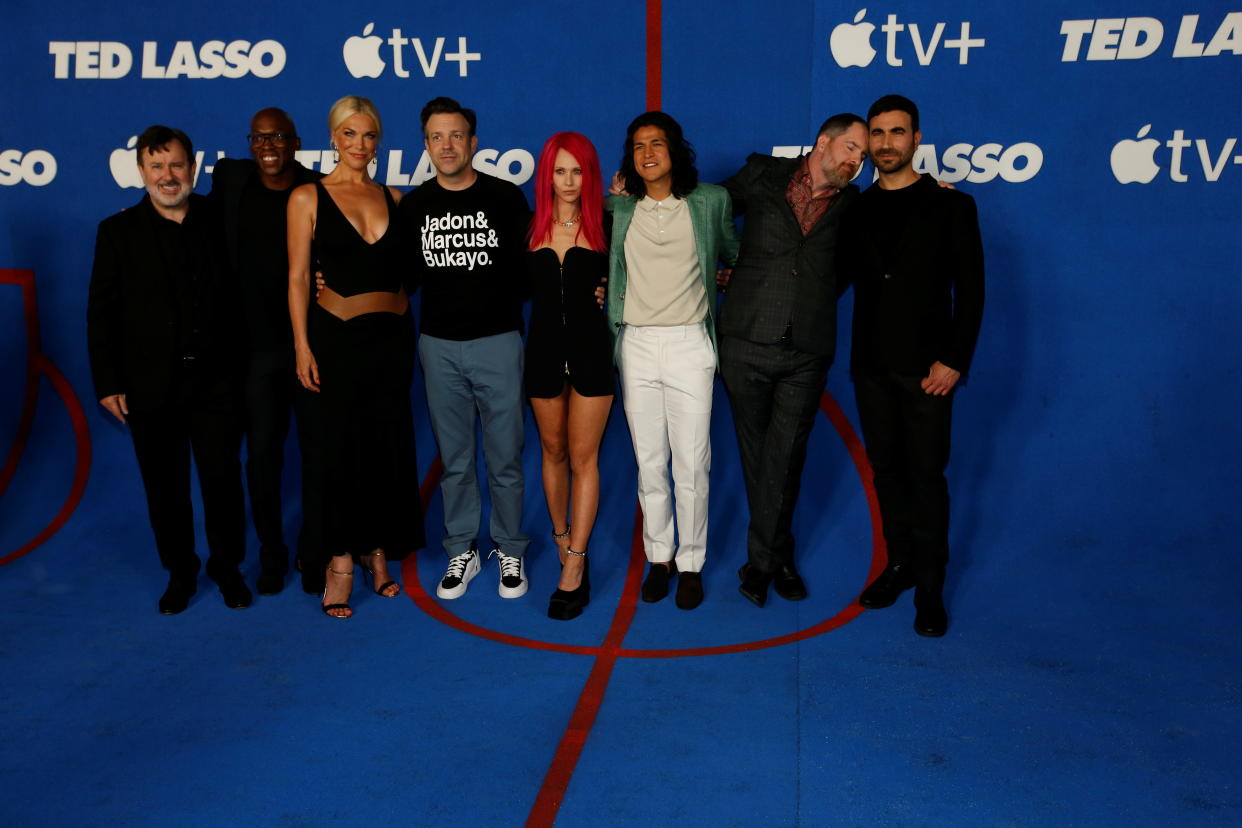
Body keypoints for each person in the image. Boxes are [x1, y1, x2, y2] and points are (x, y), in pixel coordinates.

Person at [87, 125, 250, 614]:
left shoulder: (222, 219)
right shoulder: (116, 232)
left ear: (193, 169)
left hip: (218, 382)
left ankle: (227, 569)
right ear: (140, 172)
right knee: (165, 489)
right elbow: (101, 313)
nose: (167, 175)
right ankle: (180, 573)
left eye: (176, 164)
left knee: (223, 483)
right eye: (156, 166)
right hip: (149, 386)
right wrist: (108, 382)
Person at [843, 94, 985, 637]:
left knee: (926, 479)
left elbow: (971, 291)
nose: (885, 144)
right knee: (887, 474)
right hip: (871, 367)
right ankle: (899, 565)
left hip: (929, 369)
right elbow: (829, 276)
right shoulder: (856, 208)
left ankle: (930, 588)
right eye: (877, 134)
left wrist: (954, 359)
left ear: (916, 139)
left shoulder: (953, 206)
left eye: (896, 133)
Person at [718, 113, 868, 608]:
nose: (855, 160)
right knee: (757, 455)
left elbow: (845, 269)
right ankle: (778, 557)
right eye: (850, 148)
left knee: (785, 458)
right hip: (745, 339)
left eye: (862, 156)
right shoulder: (763, 173)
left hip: (807, 349)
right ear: (823, 142)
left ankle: (761, 567)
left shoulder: (854, 204)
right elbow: (705, 211)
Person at [287, 95, 424, 618]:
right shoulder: (308, 197)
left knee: (384, 448)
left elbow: (409, 274)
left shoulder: (395, 196)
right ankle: (340, 561)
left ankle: (377, 552)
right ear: (334, 137)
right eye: (350, 135)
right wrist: (302, 343)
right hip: (333, 340)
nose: (360, 145)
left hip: (391, 342)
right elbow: (298, 277)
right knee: (336, 451)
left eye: (369, 136)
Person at [397, 97, 532, 600]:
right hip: (438, 346)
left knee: (505, 457)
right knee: (455, 458)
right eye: (436, 137)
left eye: (456, 136)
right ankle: (462, 548)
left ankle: (510, 548)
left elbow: (528, 274)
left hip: (498, 342)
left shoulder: (505, 198)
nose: (447, 145)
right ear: (426, 145)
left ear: (473, 142)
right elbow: (403, 278)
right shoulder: (414, 206)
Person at [606, 111, 739, 610]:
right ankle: (659, 558)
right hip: (636, 345)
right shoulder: (617, 208)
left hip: (690, 345)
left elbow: (736, 253)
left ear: (675, 149)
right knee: (649, 463)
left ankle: (691, 564)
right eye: (638, 145)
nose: (647, 153)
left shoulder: (709, 202)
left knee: (692, 463)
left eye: (656, 143)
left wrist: (730, 277)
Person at [210, 107, 324, 596]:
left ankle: (317, 552)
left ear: (296, 142)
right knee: (262, 458)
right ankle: (272, 554)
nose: (268, 146)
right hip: (256, 352)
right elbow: (186, 214)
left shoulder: (318, 189)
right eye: (258, 139)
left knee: (322, 456)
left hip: (314, 345)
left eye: (277, 137)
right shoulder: (230, 180)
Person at [525, 132, 614, 620]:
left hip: (591, 354)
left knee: (584, 457)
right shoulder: (529, 228)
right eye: (560, 171)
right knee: (553, 450)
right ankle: (562, 539)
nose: (568, 181)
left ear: (590, 175)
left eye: (577, 170)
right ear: (547, 175)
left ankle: (576, 563)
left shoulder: (608, 222)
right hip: (540, 353)